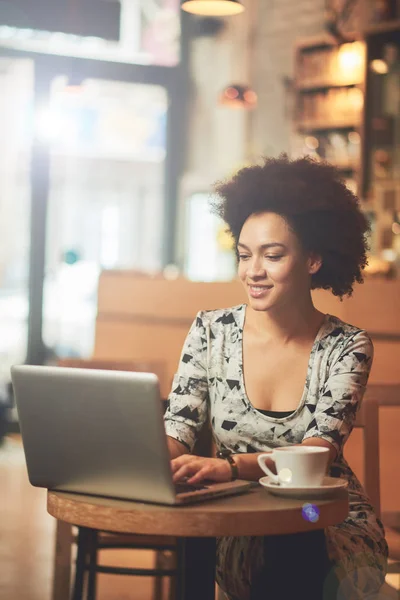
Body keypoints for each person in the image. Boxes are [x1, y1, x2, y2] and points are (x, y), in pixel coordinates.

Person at [164, 155, 388, 600]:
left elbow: (315, 458)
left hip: (325, 522)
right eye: (245, 255)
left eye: (273, 255)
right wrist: (151, 462)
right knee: (223, 544)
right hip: (242, 526)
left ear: (313, 260)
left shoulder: (346, 345)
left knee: (297, 533)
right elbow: (178, 432)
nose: (253, 272)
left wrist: (228, 468)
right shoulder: (211, 331)